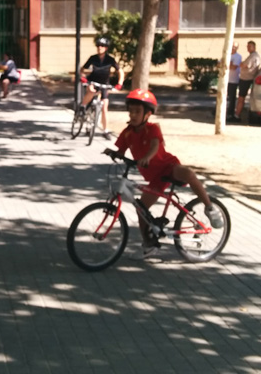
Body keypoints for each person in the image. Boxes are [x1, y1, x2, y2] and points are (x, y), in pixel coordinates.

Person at [104, 89, 224, 258]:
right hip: (155, 177)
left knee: (188, 173)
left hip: (168, 166)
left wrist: (147, 157)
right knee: (141, 209)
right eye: (131, 111)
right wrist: (114, 153)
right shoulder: (128, 132)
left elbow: (155, 146)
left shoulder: (153, 129)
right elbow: (121, 150)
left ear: (147, 114)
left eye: (137, 111)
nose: (133, 115)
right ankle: (149, 245)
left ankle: (210, 208)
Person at [79, 36, 118, 135]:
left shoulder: (110, 60)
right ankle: (83, 106)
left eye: (102, 46)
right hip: (93, 81)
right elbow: (82, 69)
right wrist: (83, 77)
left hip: (104, 84)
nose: (100, 47)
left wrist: (120, 83)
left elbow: (120, 71)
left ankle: (105, 130)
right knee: (91, 91)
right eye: (98, 46)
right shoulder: (93, 58)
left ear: (106, 48)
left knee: (105, 106)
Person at [234, 40, 261, 121]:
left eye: (250, 46)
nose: (248, 48)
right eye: (247, 46)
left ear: (254, 47)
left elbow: (244, 65)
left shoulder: (253, 56)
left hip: (246, 79)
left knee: (241, 98)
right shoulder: (255, 56)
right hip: (248, 78)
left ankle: (237, 115)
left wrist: (241, 64)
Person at [227, 43, 242, 121]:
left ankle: (230, 113)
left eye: (235, 47)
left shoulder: (238, 56)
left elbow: (234, 67)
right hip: (225, 80)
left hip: (233, 80)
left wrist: (227, 64)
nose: (233, 48)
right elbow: (219, 64)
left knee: (232, 98)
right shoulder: (226, 54)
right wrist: (229, 64)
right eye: (232, 46)